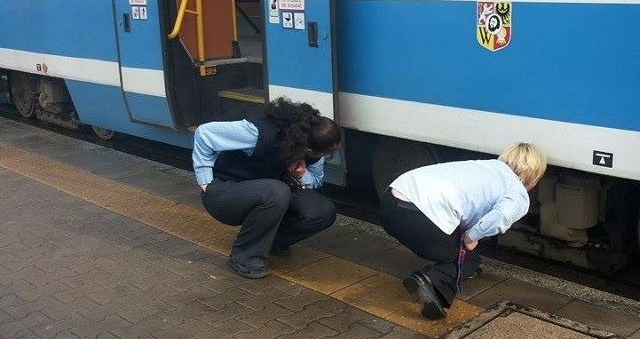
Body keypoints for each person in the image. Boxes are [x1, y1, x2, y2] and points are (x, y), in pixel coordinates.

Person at [380, 143, 547, 319]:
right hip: (417, 220)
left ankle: (445, 273)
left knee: (454, 238)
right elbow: (502, 215)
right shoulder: (517, 193)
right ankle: (428, 279)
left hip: (389, 205)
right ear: (534, 177)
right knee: (469, 259)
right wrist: (472, 236)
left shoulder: (485, 165)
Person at [192, 98, 342, 279]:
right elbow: (204, 133)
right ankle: (245, 257)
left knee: (322, 211)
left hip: (268, 194)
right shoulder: (259, 132)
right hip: (224, 192)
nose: (322, 158)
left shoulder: (314, 149)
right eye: (321, 154)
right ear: (308, 147)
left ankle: (268, 242)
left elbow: (316, 181)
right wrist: (205, 180)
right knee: (277, 191)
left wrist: (301, 175)